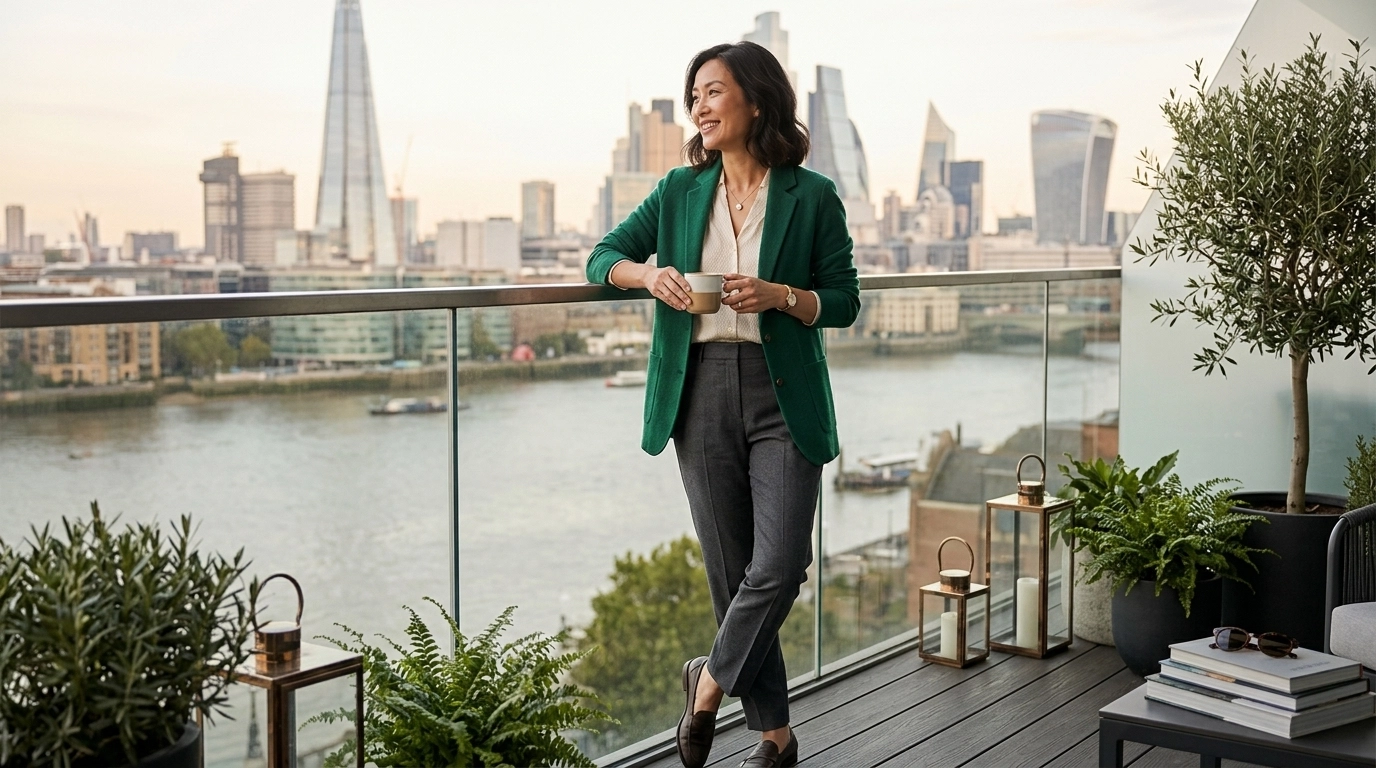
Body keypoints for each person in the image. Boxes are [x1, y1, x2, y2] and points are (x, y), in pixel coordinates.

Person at [585, 40, 859, 768]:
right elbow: (600, 257)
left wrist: (783, 297)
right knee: (733, 571)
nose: (699, 107)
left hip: (782, 393)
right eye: (694, 96)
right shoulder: (678, 191)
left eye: (712, 92)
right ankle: (775, 735)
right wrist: (649, 278)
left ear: (757, 100)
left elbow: (844, 301)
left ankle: (705, 684)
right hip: (698, 387)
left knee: (782, 562)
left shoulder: (813, 196)